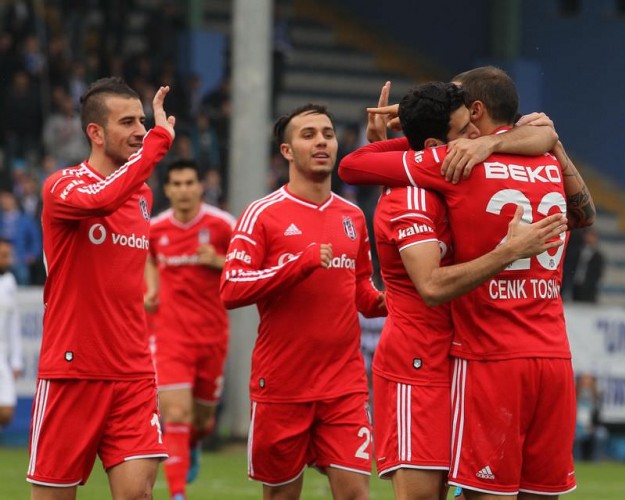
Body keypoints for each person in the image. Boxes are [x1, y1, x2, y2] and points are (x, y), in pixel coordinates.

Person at [339, 68, 595, 499]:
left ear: (476, 111)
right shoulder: (548, 158)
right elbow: (582, 212)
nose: (469, 133)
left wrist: (410, 138)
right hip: (551, 355)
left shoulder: (455, 163)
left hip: (488, 357)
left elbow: (352, 165)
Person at [220, 103, 387, 500]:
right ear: (287, 151)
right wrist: (299, 264)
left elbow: (362, 292)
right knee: (282, 496)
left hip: (344, 385)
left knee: (355, 494)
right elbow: (231, 288)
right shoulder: (262, 214)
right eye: (308, 135)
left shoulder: (352, 216)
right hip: (282, 386)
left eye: (327, 134)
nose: (321, 142)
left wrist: (395, 300)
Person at [27, 77, 176, 499]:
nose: (140, 131)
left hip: (133, 371)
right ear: (95, 132)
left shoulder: (143, 195)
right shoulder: (63, 186)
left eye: (142, 121)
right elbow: (102, 200)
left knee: (137, 494)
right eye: (127, 122)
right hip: (72, 371)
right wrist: (157, 145)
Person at [144, 158, 235, 500]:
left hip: (212, 336)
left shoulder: (223, 225)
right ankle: (178, 494)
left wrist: (220, 261)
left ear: (200, 187)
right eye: (177, 184)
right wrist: (150, 289)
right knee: (176, 413)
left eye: (189, 183)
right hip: (170, 337)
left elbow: (248, 266)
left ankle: (194, 443)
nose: (183, 190)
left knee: (202, 420)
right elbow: (146, 258)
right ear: (167, 189)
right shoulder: (155, 229)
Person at [0, 238, 22, 429]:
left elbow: (13, 324)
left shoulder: (9, 282)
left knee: (6, 412)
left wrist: (16, 360)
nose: (8, 260)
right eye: (3, 255)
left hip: (2, 354)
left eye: (9, 255)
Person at [571, 227, 605, 303]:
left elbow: (597, 274)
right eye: (588, 235)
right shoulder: (577, 252)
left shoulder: (598, 256)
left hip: (589, 291)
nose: (589, 238)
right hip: (575, 288)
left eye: (592, 236)